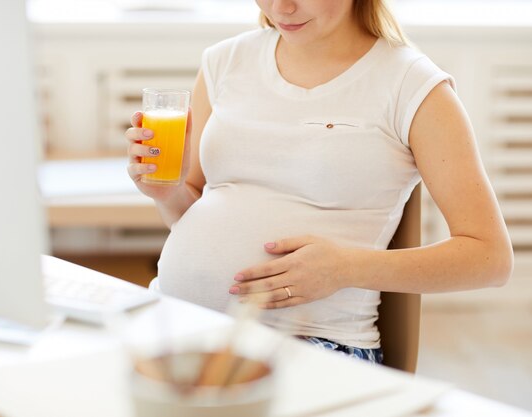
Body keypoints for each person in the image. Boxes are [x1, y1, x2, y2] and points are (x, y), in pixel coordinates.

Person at [125, 0, 513, 364]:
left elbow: (490, 259)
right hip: (176, 322)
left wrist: (345, 268)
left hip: (315, 343)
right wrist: (167, 191)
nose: (281, 7)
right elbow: (190, 210)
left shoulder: (414, 87)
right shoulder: (224, 62)